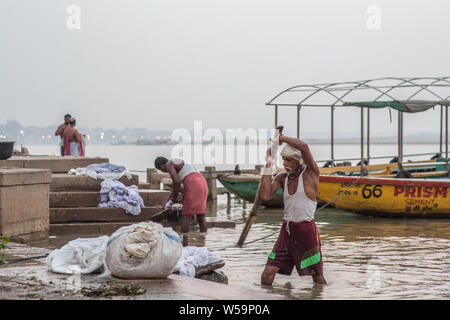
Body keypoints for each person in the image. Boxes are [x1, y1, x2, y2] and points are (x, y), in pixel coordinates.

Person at [260, 133, 327, 285]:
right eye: (283, 159)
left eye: (289, 160)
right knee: (267, 275)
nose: (285, 163)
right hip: (287, 231)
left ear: (299, 161)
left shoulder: (311, 173)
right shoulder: (282, 178)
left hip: (306, 232)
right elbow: (265, 195)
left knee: (316, 276)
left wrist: (281, 138)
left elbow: (303, 147)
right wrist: (268, 166)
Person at [154, 157, 208, 234]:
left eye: (161, 169)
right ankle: (203, 238)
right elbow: (176, 186)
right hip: (202, 183)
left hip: (193, 183)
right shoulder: (181, 164)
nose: (163, 171)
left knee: (186, 215)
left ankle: (184, 242)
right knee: (201, 214)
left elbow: (176, 182)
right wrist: (170, 200)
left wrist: (173, 199)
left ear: (162, 165)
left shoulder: (169, 164)